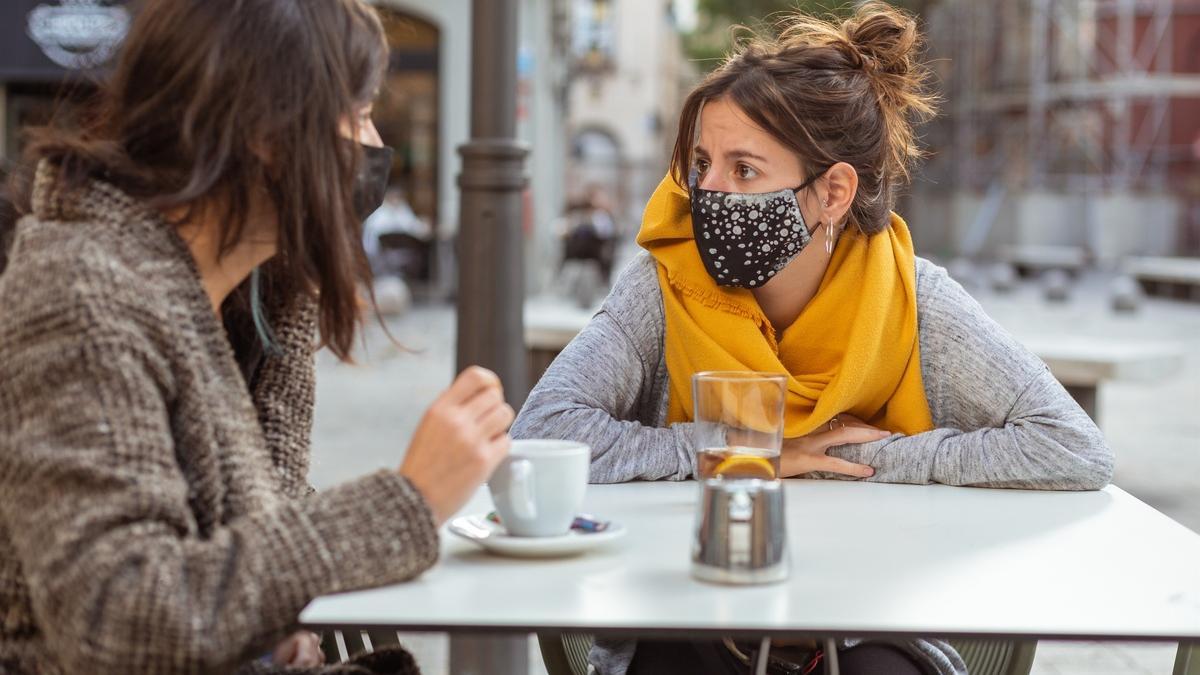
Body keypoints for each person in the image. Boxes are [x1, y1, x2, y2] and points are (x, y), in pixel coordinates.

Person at [511, 3, 1113, 674]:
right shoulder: (664, 282)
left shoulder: (915, 300)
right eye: (702, 162)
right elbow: (543, 435)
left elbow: (1073, 447)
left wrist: (863, 459)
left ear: (832, 193)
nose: (705, 192)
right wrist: (755, 449)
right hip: (692, 605)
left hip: (877, 618)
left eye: (743, 170)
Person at [0, 1, 513, 673]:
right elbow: (116, 616)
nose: (375, 142)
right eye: (357, 113)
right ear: (267, 131)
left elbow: (255, 537)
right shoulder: (82, 289)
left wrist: (275, 632)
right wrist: (406, 503)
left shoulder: (244, 288)